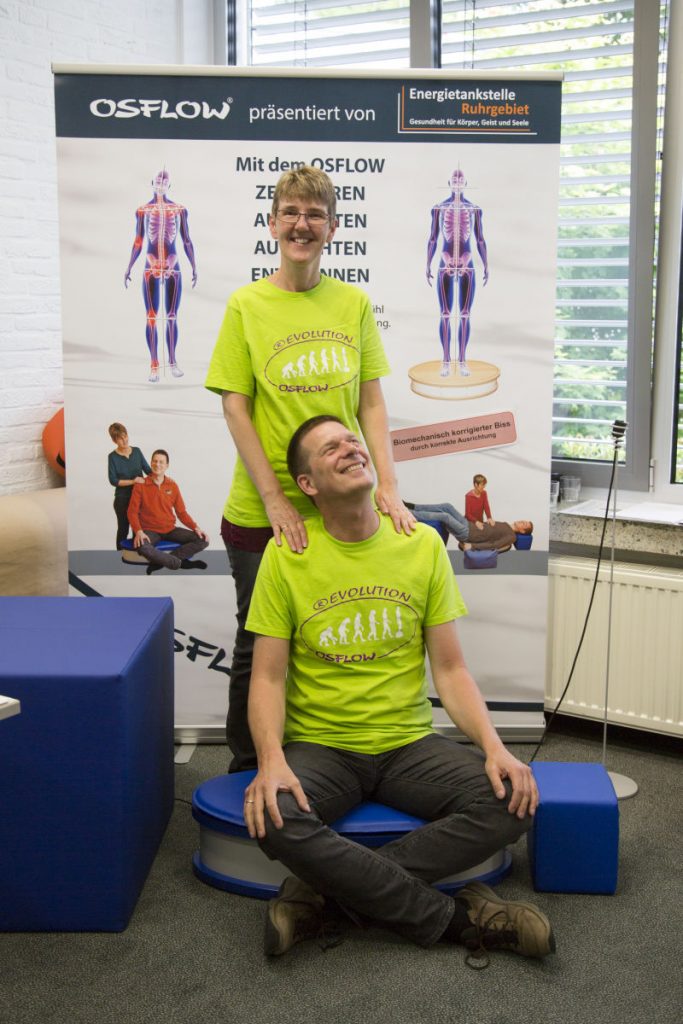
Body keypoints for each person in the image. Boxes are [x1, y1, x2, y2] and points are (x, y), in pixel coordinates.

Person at [243, 416, 554, 967]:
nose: (350, 448)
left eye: (352, 440)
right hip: (322, 746)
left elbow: (451, 671)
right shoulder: (285, 554)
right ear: (307, 484)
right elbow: (266, 677)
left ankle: (325, 898)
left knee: (514, 801)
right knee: (274, 813)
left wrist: (494, 748)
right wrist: (270, 760)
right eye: (331, 448)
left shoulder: (421, 545)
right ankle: (459, 919)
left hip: (408, 744)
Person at [205, 165, 413, 772]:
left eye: (315, 215)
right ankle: (249, 770)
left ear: (333, 228)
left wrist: (388, 487)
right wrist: (275, 499)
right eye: (291, 213)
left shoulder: (353, 303)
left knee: (324, 638)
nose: (302, 224)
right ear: (273, 223)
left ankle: (320, 762)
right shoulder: (247, 305)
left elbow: (370, 402)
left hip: (339, 508)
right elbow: (235, 406)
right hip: (261, 511)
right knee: (258, 643)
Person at [124, 169, 198, 383]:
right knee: (151, 317)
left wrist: (193, 265)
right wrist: (130, 266)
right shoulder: (143, 211)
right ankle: (154, 365)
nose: (161, 184)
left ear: (169, 186)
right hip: (151, 265)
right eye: (158, 180)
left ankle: (172, 362)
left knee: (172, 316)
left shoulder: (179, 210)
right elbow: (139, 240)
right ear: (152, 182)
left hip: (173, 265)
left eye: (164, 181)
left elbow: (186, 240)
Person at [426, 169, 489, 378]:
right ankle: (446, 361)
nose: (458, 181)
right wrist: (428, 263)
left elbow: (480, 239)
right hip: (445, 262)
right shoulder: (439, 208)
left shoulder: (474, 209)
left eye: (460, 179)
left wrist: (486, 264)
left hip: (467, 263)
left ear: (465, 183)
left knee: (464, 315)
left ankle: (462, 361)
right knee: (445, 314)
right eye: (455, 179)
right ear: (449, 182)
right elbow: (433, 238)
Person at [127, 449, 209, 574]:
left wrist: (195, 527)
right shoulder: (141, 485)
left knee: (203, 539)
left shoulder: (172, 485)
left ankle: (159, 563)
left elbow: (181, 512)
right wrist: (138, 531)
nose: (157, 464)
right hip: (149, 530)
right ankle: (179, 563)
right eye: (154, 461)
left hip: (170, 529)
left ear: (167, 466)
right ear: (151, 463)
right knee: (141, 546)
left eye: (161, 462)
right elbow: (132, 512)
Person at [107, 422, 151, 549]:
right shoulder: (112, 457)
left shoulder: (137, 451)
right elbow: (113, 480)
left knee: (138, 530)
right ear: (114, 441)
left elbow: (148, 471)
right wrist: (133, 481)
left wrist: (163, 478)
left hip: (139, 498)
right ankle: (119, 556)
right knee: (123, 529)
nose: (124, 440)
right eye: (120, 438)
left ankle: (137, 554)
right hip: (122, 500)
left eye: (125, 436)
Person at [405, 500, 470, 544]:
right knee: (447, 506)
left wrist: (472, 546)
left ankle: (408, 513)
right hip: (469, 524)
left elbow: (472, 546)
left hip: (469, 534)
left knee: (445, 517)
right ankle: (412, 506)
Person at [461, 520, 533, 553]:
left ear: (522, 531)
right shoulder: (505, 525)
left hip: (471, 534)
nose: (522, 521)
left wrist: (472, 546)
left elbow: (494, 545)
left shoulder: (512, 536)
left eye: (524, 524)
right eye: (524, 521)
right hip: (470, 525)